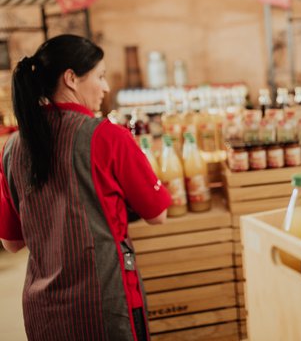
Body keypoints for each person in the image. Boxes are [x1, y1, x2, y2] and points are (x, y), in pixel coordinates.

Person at [0, 35, 172, 340]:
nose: (106, 87)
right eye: (101, 76)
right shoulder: (108, 136)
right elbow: (157, 213)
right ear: (71, 78)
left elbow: (12, 242)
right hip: (105, 304)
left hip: (44, 309)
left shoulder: (12, 147)